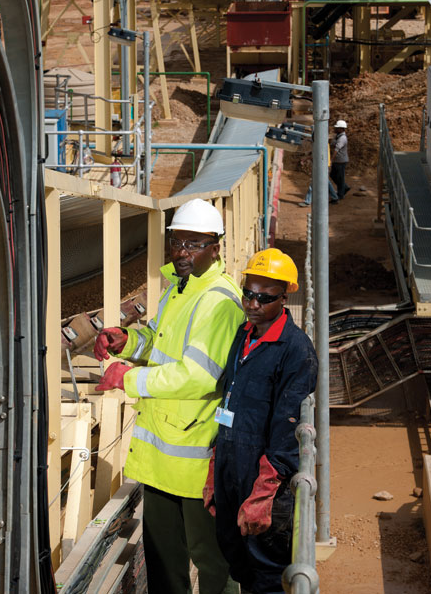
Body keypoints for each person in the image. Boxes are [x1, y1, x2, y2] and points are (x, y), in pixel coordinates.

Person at [93, 198, 245, 594]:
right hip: (162, 456)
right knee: (162, 558)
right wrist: (127, 343)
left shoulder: (218, 302)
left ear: (216, 247)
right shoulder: (180, 290)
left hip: (196, 458)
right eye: (177, 241)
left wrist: (128, 380)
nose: (182, 251)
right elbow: (159, 343)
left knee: (212, 562)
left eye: (194, 244)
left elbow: (197, 375)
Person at [203, 248, 318, 594]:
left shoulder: (296, 350)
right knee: (237, 562)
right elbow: (230, 400)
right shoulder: (245, 335)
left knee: (266, 573)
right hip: (231, 465)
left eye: (263, 298)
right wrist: (215, 467)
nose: (252, 304)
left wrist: (264, 493)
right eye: (248, 294)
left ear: (284, 298)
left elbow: (287, 428)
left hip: (264, 480)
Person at [330, 119, 350, 199]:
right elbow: (332, 144)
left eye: (337, 128)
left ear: (341, 129)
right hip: (337, 160)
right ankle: (344, 187)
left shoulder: (342, 138)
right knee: (333, 175)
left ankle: (340, 194)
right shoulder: (337, 136)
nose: (335, 129)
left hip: (341, 161)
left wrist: (331, 159)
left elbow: (336, 149)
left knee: (340, 177)